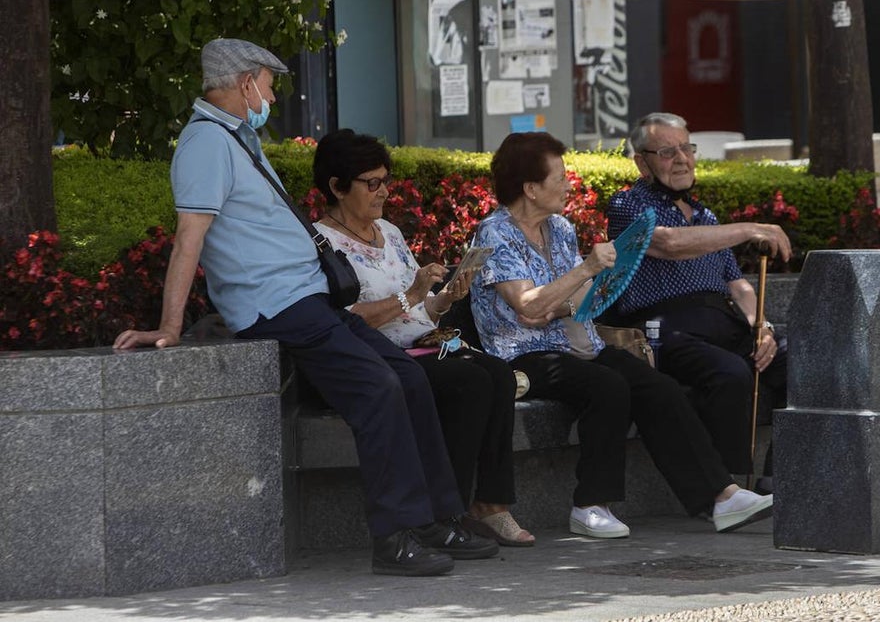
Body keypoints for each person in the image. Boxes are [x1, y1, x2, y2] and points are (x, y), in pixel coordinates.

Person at [113, 38, 497, 576]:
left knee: (408, 381)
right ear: (245, 82)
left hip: (305, 299)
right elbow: (188, 239)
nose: (271, 93)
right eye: (268, 83)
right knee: (379, 387)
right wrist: (169, 326)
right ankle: (394, 537)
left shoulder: (235, 136)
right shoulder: (205, 143)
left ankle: (435, 518)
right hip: (277, 306)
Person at [469, 131, 774, 539]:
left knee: (656, 386)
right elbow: (527, 306)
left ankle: (721, 496)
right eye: (559, 177)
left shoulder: (558, 228)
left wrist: (575, 292)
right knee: (607, 386)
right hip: (521, 353)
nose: (567, 184)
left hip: (571, 341)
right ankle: (590, 504)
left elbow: (566, 302)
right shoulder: (495, 233)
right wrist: (585, 272)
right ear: (530, 188)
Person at [311, 129, 534, 547]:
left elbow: (420, 308)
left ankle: (489, 503)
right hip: (383, 356)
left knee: (497, 375)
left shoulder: (389, 232)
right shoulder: (322, 243)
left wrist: (445, 295)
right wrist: (410, 295)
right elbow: (340, 321)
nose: (383, 192)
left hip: (427, 342)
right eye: (371, 183)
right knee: (468, 383)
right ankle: (443, 512)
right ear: (338, 187)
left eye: (385, 180)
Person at [605, 112, 793, 494]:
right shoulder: (626, 205)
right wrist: (749, 229)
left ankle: (781, 473)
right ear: (642, 162)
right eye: (667, 151)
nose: (682, 159)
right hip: (665, 328)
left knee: (802, 362)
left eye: (687, 148)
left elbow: (737, 285)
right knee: (730, 372)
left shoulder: (705, 215)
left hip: (723, 320)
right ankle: (728, 486)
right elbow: (670, 245)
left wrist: (763, 327)